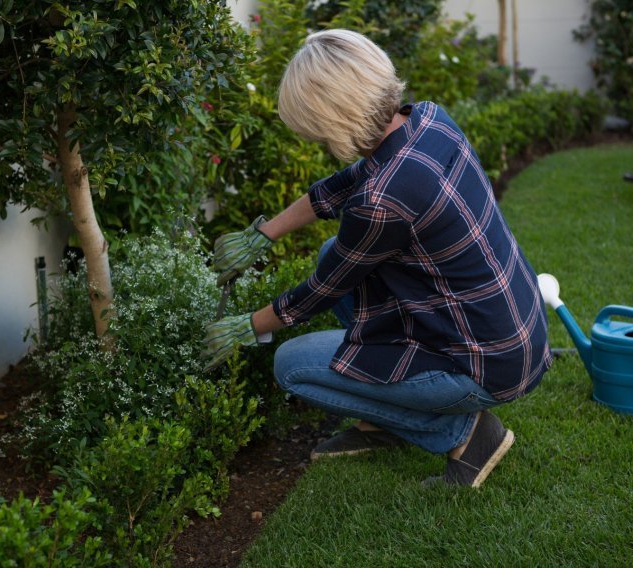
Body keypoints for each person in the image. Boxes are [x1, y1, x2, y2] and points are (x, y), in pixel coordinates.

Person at [201, 29, 552, 488]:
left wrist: (248, 326)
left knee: (292, 365)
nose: (313, 139)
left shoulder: (382, 203)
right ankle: (387, 421)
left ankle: (466, 432)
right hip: (511, 334)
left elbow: (323, 290)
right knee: (332, 251)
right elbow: (348, 182)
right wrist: (263, 233)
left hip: (485, 364)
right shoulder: (428, 119)